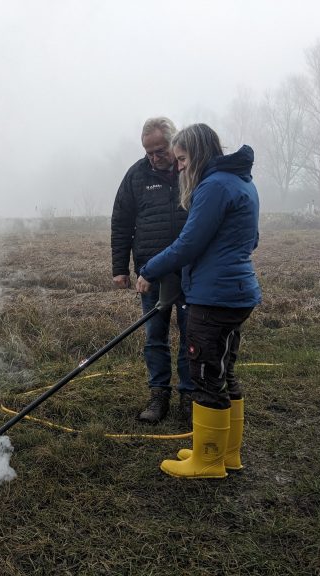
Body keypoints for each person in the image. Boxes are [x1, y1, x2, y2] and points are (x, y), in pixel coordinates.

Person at [136, 123, 262, 479]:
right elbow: (252, 240)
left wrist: (149, 270)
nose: (178, 167)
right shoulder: (241, 182)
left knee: (205, 375)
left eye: (181, 159)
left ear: (199, 153)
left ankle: (207, 461)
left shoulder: (213, 187)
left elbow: (188, 244)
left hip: (215, 297)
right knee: (223, 372)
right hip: (235, 292)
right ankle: (226, 453)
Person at [111, 117, 193, 424]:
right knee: (154, 337)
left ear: (173, 144)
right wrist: (120, 268)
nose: (154, 158)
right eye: (149, 152)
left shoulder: (191, 171)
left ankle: (189, 396)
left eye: (160, 150)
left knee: (190, 335)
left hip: (189, 271)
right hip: (152, 273)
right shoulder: (136, 175)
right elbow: (121, 221)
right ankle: (159, 395)